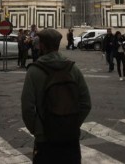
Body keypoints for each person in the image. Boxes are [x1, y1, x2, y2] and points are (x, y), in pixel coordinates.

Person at [21, 28, 91, 164]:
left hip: (45, 138)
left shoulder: (34, 71)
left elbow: (27, 108)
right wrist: (72, 124)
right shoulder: (73, 68)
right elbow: (86, 103)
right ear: (58, 45)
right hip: (70, 137)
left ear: (41, 45)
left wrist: (37, 130)